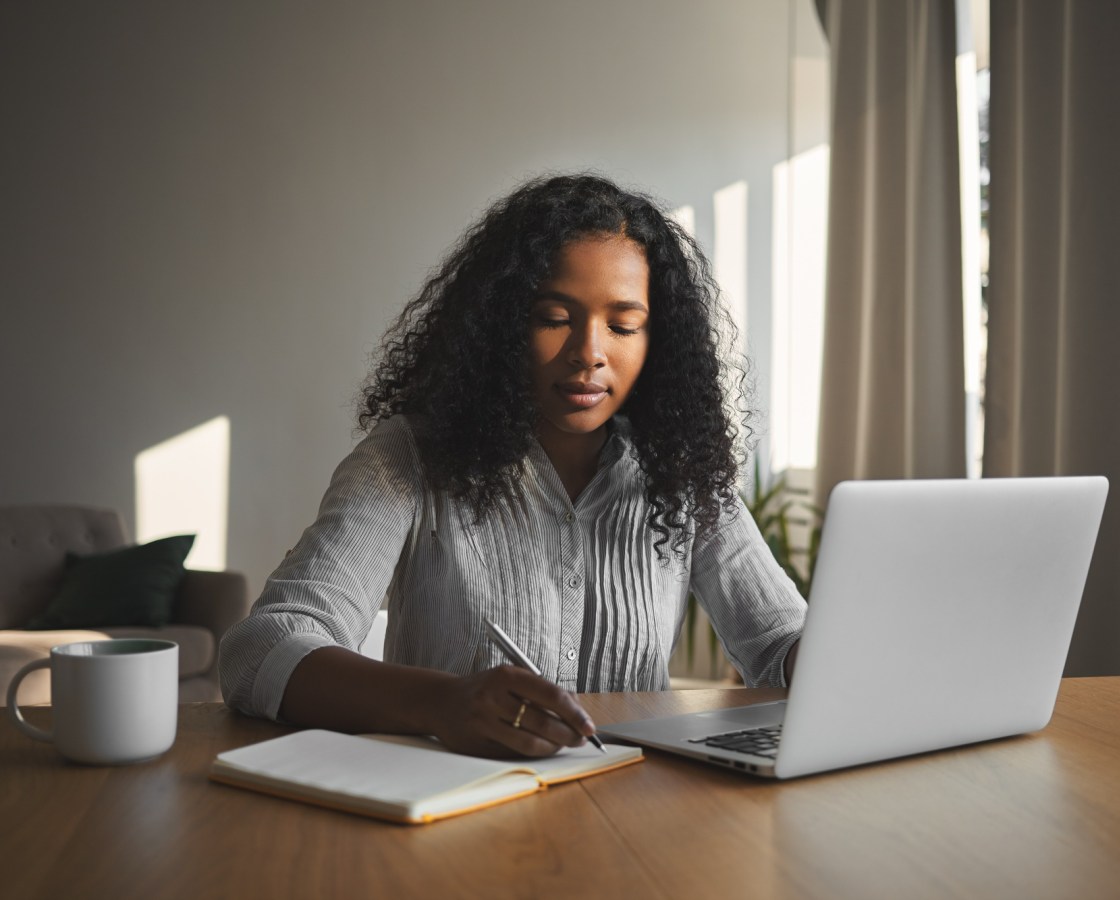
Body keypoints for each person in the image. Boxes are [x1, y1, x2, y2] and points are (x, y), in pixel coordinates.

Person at [219, 173, 807, 758]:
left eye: (623, 326)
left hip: (631, 801)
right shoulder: (409, 457)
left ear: (659, 341)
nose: (589, 353)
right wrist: (441, 703)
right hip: (456, 798)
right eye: (554, 318)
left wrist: (822, 658)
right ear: (500, 325)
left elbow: (780, 641)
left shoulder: (680, 475)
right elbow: (260, 649)